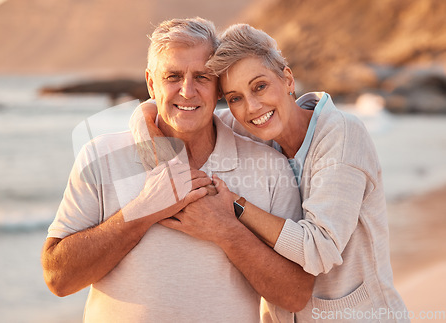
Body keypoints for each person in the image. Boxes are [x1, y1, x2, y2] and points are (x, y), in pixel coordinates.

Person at [41, 17, 314, 322]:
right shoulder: (100, 156)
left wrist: (225, 231)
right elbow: (58, 279)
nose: (187, 90)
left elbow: (296, 295)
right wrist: (142, 211)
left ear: (219, 88)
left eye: (202, 77)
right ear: (150, 83)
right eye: (173, 76)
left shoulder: (269, 167)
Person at [132, 23, 409, 322]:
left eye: (260, 86)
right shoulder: (250, 125)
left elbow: (319, 248)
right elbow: (156, 112)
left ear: (287, 79)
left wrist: (234, 207)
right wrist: (165, 166)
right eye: (235, 97)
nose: (252, 107)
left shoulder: (342, 135)